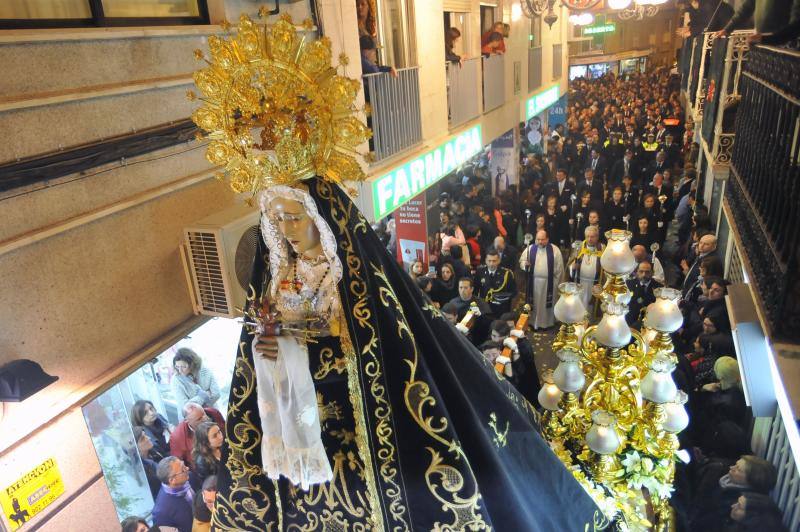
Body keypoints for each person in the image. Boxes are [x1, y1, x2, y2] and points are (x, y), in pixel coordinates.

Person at [197, 28, 599, 530]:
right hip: (309, 430)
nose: (286, 231)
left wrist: (309, 334)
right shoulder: (275, 282)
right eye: (276, 222)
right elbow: (265, 355)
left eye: (294, 218)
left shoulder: (359, 281)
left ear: (323, 218)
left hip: (371, 429)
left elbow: (373, 344)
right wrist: (269, 342)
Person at [520, 230, 564, 330]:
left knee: (546, 305)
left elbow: (559, 269)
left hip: (548, 283)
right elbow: (522, 261)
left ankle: (546, 323)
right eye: (538, 239)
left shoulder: (554, 250)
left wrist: (557, 283)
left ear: (547, 239)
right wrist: (524, 265)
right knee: (534, 303)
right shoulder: (530, 249)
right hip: (534, 282)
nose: (540, 242)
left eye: (542, 239)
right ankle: (532, 322)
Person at [169, 402, 225, 468]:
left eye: (204, 414)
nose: (205, 419)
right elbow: (179, 466)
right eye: (199, 419)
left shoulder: (213, 413)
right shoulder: (177, 437)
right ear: (187, 421)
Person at [171, 348, 220, 418]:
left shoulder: (204, 370)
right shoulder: (175, 380)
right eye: (177, 366)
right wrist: (203, 395)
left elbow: (216, 394)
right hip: (194, 420)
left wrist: (194, 403)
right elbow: (186, 408)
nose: (180, 370)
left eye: (184, 367)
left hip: (212, 414)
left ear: (192, 364)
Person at [153, 456, 195, 532]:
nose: (187, 468)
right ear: (172, 480)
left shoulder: (189, 477)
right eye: (183, 470)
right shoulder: (161, 512)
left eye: (184, 465)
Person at [568, 226, 604, 312]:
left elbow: (606, 266)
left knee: (590, 310)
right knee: (578, 309)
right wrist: (572, 268)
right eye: (587, 236)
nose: (589, 239)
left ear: (597, 237)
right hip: (580, 283)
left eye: (592, 237)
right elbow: (570, 264)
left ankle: (590, 324)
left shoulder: (603, 249)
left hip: (595, 285)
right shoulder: (579, 247)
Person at [475, 248, 517, 316]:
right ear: (485, 260)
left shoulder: (507, 274)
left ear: (499, 261)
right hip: (485, 309)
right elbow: (476, 291)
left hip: (501, 310)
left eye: (494, 261)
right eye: (489, 261)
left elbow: (513, 292)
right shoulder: (480, 272)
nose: (491, 264)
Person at [626, 260, 662, 326]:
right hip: (630, 321)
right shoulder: (629, 284)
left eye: (647, 272)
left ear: (652, 273)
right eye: (641, 271)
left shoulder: (659, 288)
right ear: (637, 272)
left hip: (650, 323)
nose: (644, 275)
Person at [133, 426, 162, 499]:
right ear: (135, 448)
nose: (148, 438)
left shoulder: (154, 450)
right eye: (143, 439)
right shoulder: (142, 471)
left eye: (145, 435)